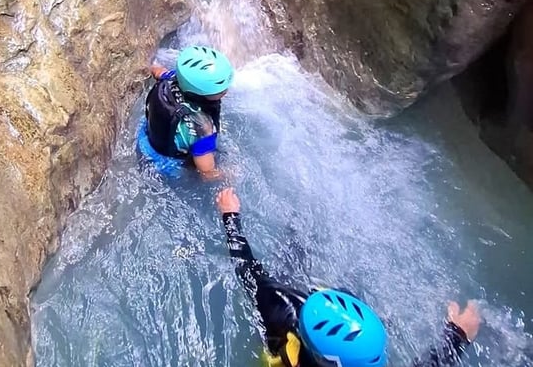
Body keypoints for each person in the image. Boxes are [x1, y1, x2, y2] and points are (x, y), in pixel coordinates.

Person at [215, 187, 483, 367]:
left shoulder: (284, 308)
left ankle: (300, 225)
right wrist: (456, 336)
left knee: (290, 261)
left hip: (284, 333)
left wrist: (230, 216)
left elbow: (246, 270)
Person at [143, 46, 234, 180]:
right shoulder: (202, 128)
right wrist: (229, 175)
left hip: (148, 134)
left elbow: (157, 71)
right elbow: (206, 173)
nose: (226, 91)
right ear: (201, 93)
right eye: (221, 91)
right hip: (168, 165)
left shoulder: (171, 78)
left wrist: (149, 66)